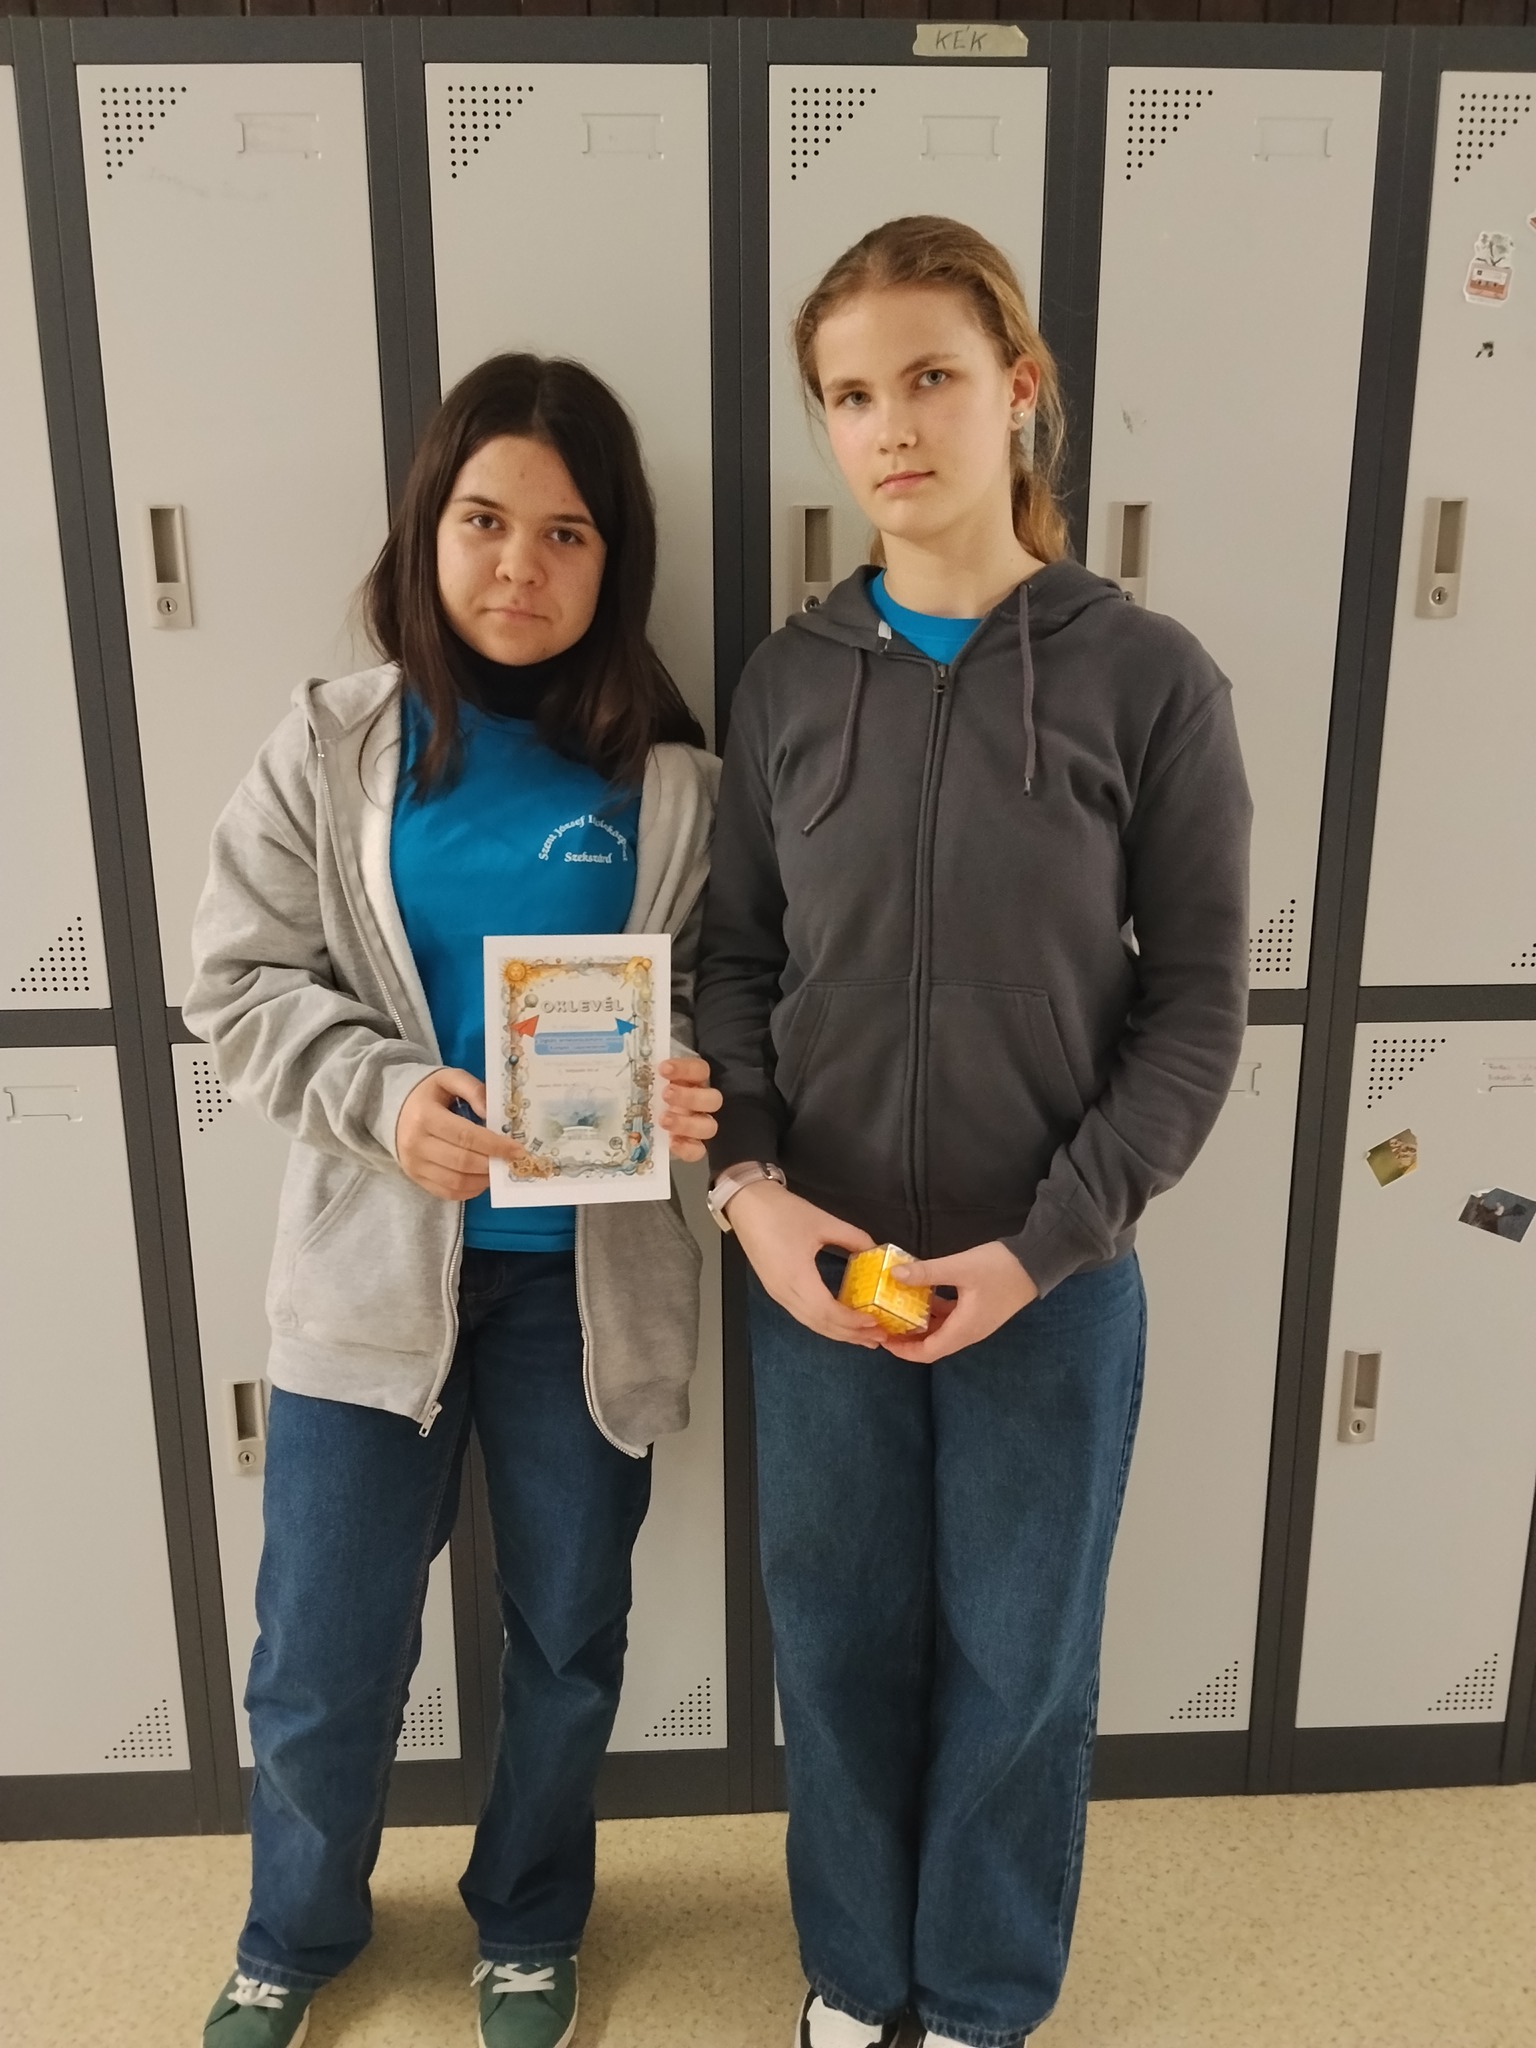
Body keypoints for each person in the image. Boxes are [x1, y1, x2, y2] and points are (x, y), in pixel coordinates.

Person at [696, 216, 1252, 2048]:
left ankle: (983, 1998)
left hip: (1048, 1279)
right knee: (840, 1650)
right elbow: (736, 965)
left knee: (1023, 1664)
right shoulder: (787, 682)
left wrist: (1047, 1245)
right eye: (851, 396)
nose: (891, 428)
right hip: (825, 1272)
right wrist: (753, 1196)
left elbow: (1198, 1008)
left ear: (1018, 390)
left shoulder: (1147, 676)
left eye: (929, 378)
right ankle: (859, 1981)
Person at [186, 352, 721, 2048]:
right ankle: (295, 1929)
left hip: (588, 1289)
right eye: (485, 521)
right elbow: (237, 982)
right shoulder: (334, 743)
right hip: (371, 1282)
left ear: (614, 558)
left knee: (569, 1637)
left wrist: (696, 1077)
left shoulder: (674, 781)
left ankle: (531, 1918)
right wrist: (389, 1098)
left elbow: (731, 996)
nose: (519, 567)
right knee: (322, 1651)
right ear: (427, 528)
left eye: (566, 535)